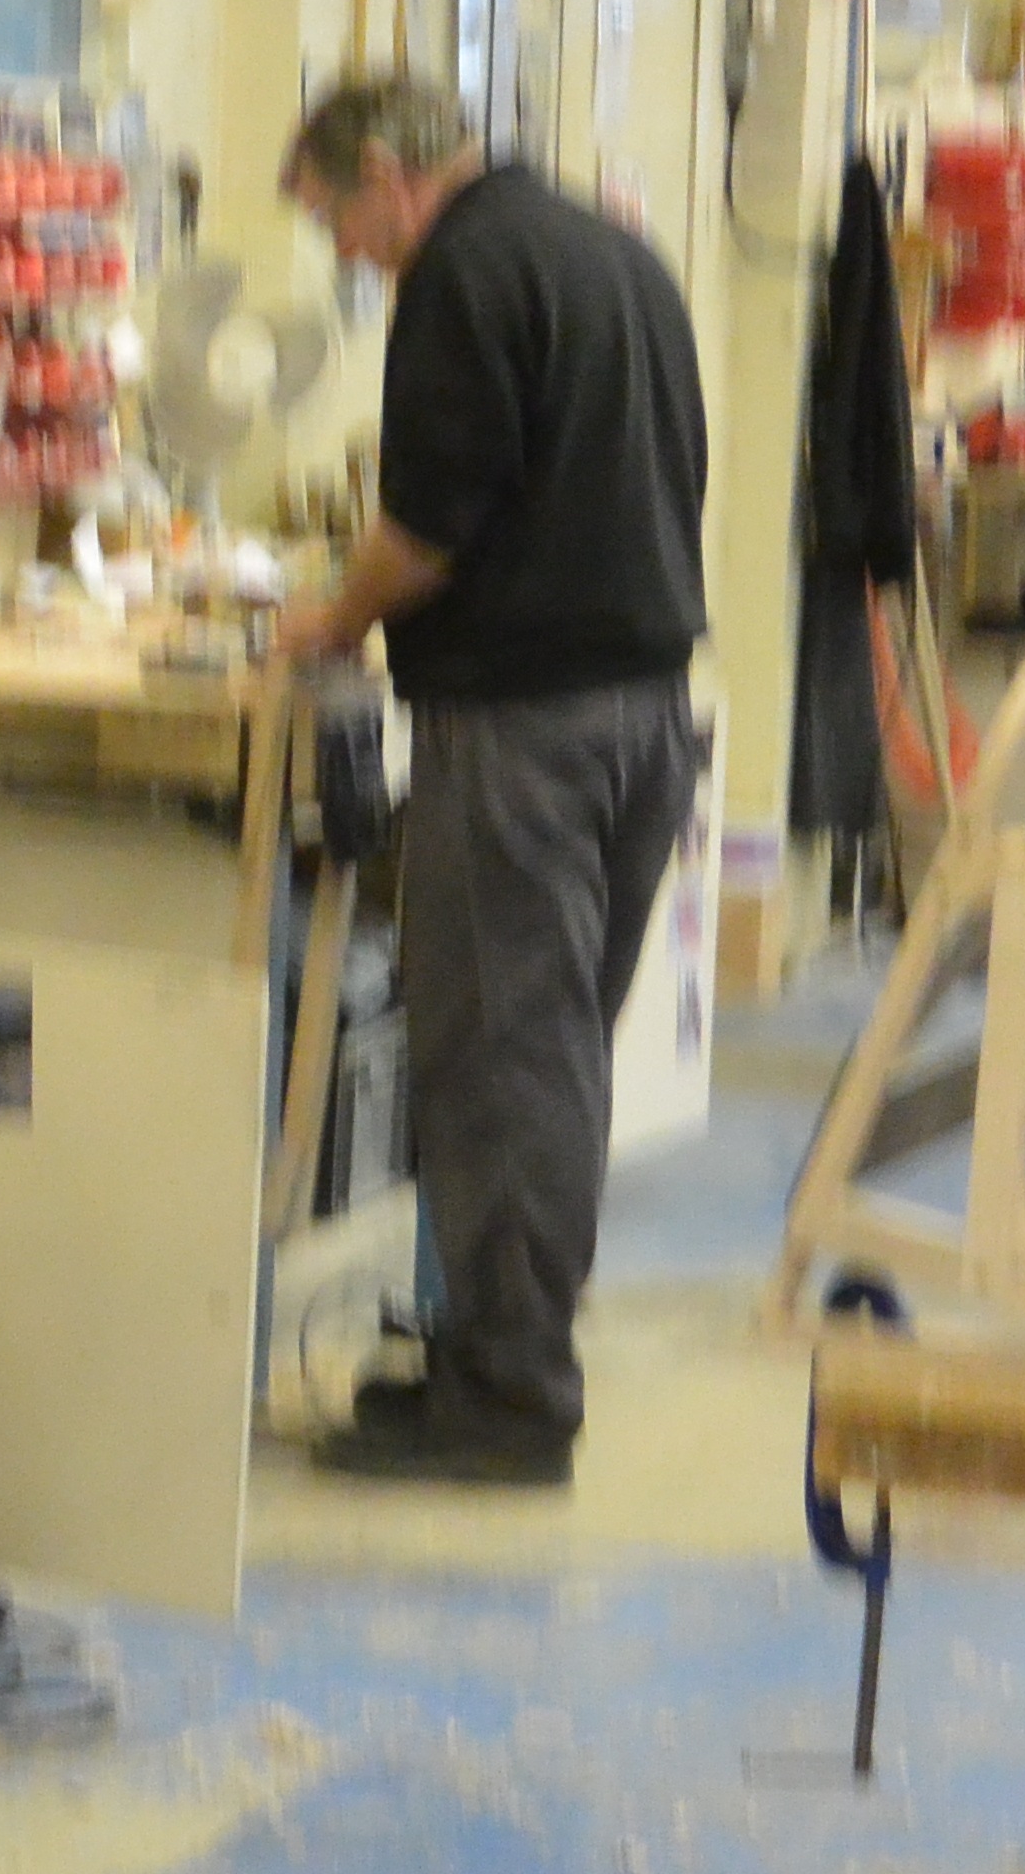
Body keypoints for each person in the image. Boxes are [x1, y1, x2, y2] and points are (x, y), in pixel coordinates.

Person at [269, 77, 708, 1488]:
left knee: (506, 1069)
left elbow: (427, 526)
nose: (346, 253)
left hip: (525, 734)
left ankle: (511, 1403)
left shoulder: (461, 273)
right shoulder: (614, 249)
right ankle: (500, 1355)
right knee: (554, 1056)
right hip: (647, 715)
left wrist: (330, 619)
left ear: (388, 172)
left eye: (337, 220)